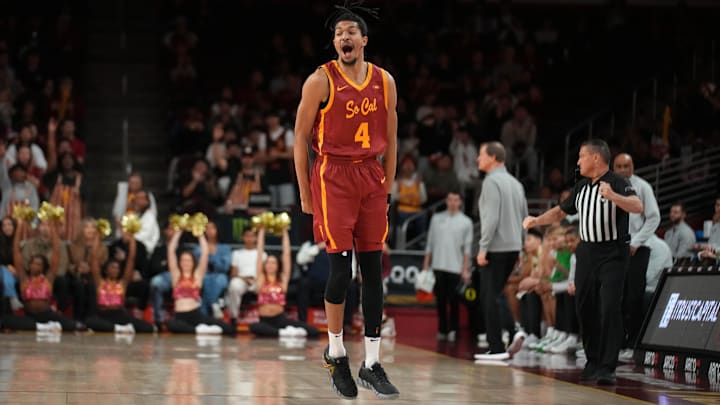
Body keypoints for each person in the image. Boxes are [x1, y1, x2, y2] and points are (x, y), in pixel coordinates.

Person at [293, 4, 399, 400]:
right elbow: (299, 139)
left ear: (364, 40)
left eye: (351, 31)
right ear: (335, 43)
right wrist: (305, 193)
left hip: (370, 175)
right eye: (339, 33)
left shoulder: (384, 81)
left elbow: (392, 137)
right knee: (340, 269)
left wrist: (387, 186)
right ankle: (336, 353)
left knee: (373, 270)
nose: (344, 37)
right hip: (332, 175)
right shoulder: (320, 81)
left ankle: (371, 362)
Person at [523, 139, 643, 386]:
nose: (578, 161)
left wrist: (613, 196)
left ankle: (608, 366)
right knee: (584, 306)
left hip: (613, 253)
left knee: (609, 306)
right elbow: (560, 211)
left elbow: (637, 206)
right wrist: (536, 221)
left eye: (581, 156)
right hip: (587, 251)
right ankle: (593, 360)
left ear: (595, 158)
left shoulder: (618, 182)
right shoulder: (581, 187)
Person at [473, 142, 528, 361]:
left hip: (496, 247)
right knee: (495, 294)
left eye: (481, 155)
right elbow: (525, 218)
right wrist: (521, 248)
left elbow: (491, 218)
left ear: (494, 158)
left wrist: (483, 248)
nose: (478, 159)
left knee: (489, 297)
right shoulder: (516, 183)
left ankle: (498, 346)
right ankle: (511, 333)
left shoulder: (491, 182)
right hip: (513, 247)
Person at [612, 153, 660, 359]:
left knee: (633, 298)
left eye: (627, 165)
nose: (624, 170)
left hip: (636, 249)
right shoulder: (609, 186)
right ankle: (617, 343)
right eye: (619, 166)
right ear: (613, 168)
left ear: (633, 166)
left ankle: (633, 345)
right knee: (616, 298)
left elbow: (654, 218)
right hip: (615, 248)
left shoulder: (643, 187)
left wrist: (636, 242)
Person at [1, 219, 75, 332]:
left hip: (47, 314)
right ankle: (42, 327)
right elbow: (16, 252)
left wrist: (52, 226)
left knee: (75, 325)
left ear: (43, 267)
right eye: (32, 263)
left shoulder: (48, 279)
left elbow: (56, 251)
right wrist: (19, 227)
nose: (34, 266)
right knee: (5, 321)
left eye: (38, 264)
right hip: (29, 315)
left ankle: (43, 325)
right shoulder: (24, 279)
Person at [248, 226, 319, 338]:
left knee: (313, 331)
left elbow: (286, 254)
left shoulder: (282, 279)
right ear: (264, 265)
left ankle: (281, 332)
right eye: (268, 262)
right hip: (264, 320)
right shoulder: (261, 279)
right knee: (254, 327)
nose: (270, 265)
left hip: (280, 319)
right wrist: (261, 231)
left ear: (278, 265)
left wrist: (284, 232)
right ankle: (283, 333)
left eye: (273, 263)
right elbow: (259, 253)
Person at [421, 190, 473, 342]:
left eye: (456, 200)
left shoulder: (466, 222)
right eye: (450, 199)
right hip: (438, 265)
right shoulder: (436, 218)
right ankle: (442, 328)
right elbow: (430, 243)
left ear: (460, 202)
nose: (453, 203)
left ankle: (453, 329)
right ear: (446, 200)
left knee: (453, 300)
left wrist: (465, 269)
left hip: (455, 267)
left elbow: (467, 249)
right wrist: (426, 265)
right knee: (440, 300)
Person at [165, 227, 235, 336]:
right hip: (180, 315)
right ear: (179, 262)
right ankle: (198, 330)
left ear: (193, 262)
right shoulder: (176, 275)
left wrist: (200, 233)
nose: (186, 263)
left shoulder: (197, 275)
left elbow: (205, 252)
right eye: (183, 260)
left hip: (195, 314)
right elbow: (171, 251)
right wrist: (179, 231)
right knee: (171, 325)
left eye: (188, 260)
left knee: (228, 328)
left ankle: (198, 329)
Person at [84, 231, 154, 334]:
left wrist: (132, 238)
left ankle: (117, 327)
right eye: (112, 267)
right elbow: (94, 259)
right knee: (90, 322)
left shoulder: (122, 283)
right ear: (106, 270)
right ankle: (117, 328)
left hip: (120, 314)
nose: (115, 270)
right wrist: (98, 236)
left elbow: (131, 259)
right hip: (103, 314)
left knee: (148, 328)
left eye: (117, 268)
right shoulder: (100, 282)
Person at [227, 228, 266, 327]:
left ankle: (265, 317)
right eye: (247, 236)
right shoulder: (237, 253)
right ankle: (233, 318)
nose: (249, 238)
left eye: (252, 236)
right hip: (242, 279)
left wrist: (257, 279)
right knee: (234, 285)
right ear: (243, 238)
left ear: (256, 238)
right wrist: (244, 279)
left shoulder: (262, 254)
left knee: (264, 286)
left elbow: (265, 272)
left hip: (257, 280)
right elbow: (233, 274)